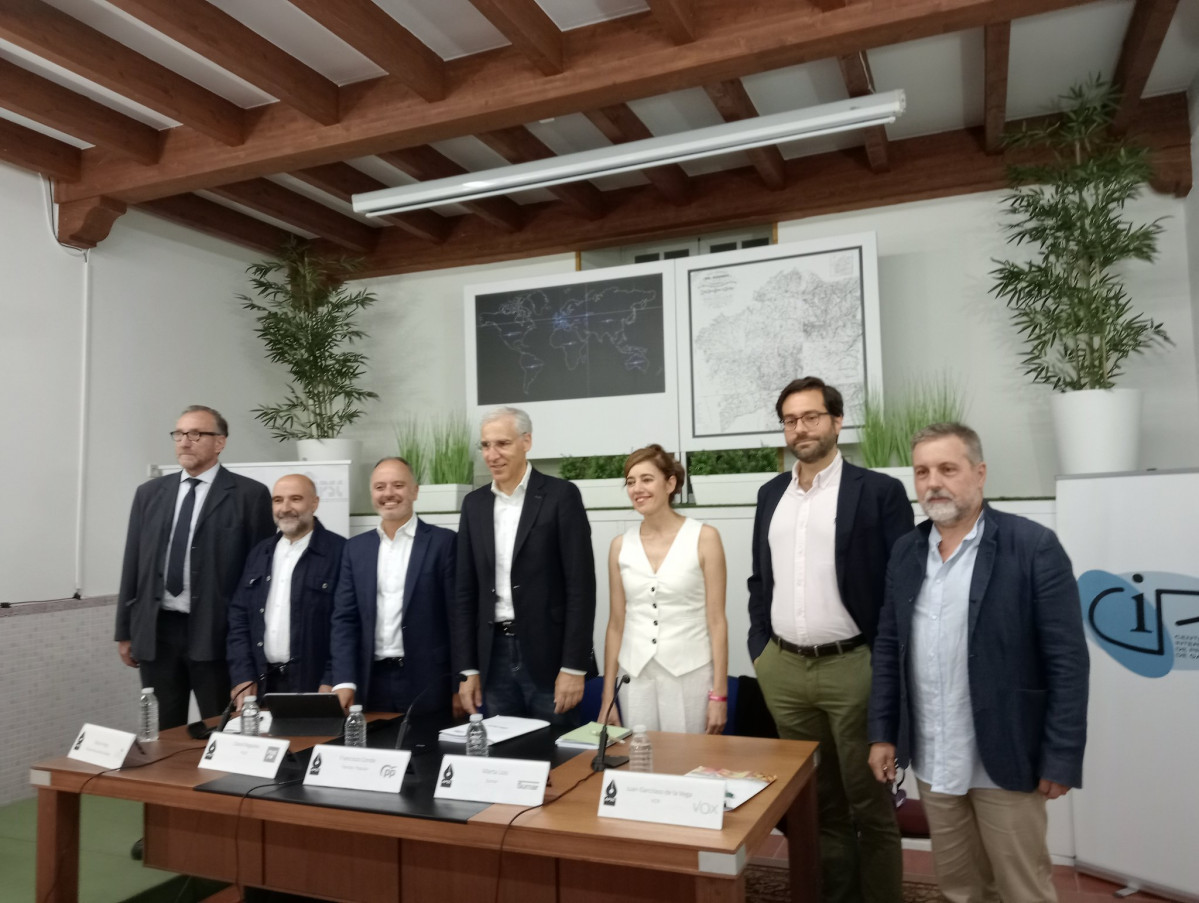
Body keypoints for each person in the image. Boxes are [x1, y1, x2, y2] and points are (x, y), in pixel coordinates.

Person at [868, 423, 1088, 903]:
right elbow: (889, 647)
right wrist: (884, 732)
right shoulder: (907, 551)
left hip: (1006, 755)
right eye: (922, 471)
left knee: (1022, 888)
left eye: (948, 468)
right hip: (934, 758)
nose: (933, 483)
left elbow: (1068, 661)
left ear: (980, 473)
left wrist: (1062, 754)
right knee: (961, 888)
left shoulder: (1032, 546)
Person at [747, 377, 912, 903]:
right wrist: (761, 650)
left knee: (870, 802)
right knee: (819, 804)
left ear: (837, 422)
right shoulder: (770, 494)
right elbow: (760, 580)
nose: (801, 428)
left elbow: (899, 588)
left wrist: (885, 664)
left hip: (854, 667)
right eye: (791, 420)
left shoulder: (879, 492)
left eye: (811, 417)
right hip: (785, 671)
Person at [114, 405, 274, 729]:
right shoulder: (149, 494)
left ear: (220, 442)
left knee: (222, 727)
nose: (185, 441)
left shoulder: (249, 495)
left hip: (217, 633)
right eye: (179, 434)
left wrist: (252, 645)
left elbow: (260, 576)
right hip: (158, 633)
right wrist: (125, 631)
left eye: (196, 434)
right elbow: (133, 563)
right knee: (161, 733)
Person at [453, 406, 596, 725]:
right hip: (494, 657)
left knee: (559, 761)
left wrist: (573, 667)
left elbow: (581, 588)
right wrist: (468, 669)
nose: (492, 454)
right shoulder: (474, 505)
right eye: (486, 445)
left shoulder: (561, 496)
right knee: (504, 763)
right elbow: (464, 592)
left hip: (550, 658)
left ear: (526, 441)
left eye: (502, 443)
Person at [600, 444, 728, 734]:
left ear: (670, 483)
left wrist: (719, 694)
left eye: (646, 479)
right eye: (630, 482)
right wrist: (608, 697)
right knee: (639, 767)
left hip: (689, 674)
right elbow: (616, 624)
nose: (637, 489)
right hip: (635, 675)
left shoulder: (704, 537)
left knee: (688, 765)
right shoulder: (620, 546)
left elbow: (717, 621)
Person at [328, 457, 457, 714]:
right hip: (369, 682)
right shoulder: (355, 549)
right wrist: (343, 680)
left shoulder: (445, 543)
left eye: (398, 485)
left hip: (429, 681)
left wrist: (458, 683)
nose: (388, 493)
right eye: (380, 487)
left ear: (415, 490)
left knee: (427, 751)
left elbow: (458, 618)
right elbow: (344, 619)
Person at [225, 474, 345, 704]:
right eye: (278, 500)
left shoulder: (340, 552)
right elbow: (239, 618)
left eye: (295, 499)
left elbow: (346, 626)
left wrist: (333, 678)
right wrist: (242, 675)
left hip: (317, 684)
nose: (285, 508)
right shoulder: (260, 553)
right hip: (261, 683)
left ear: (314, 503)